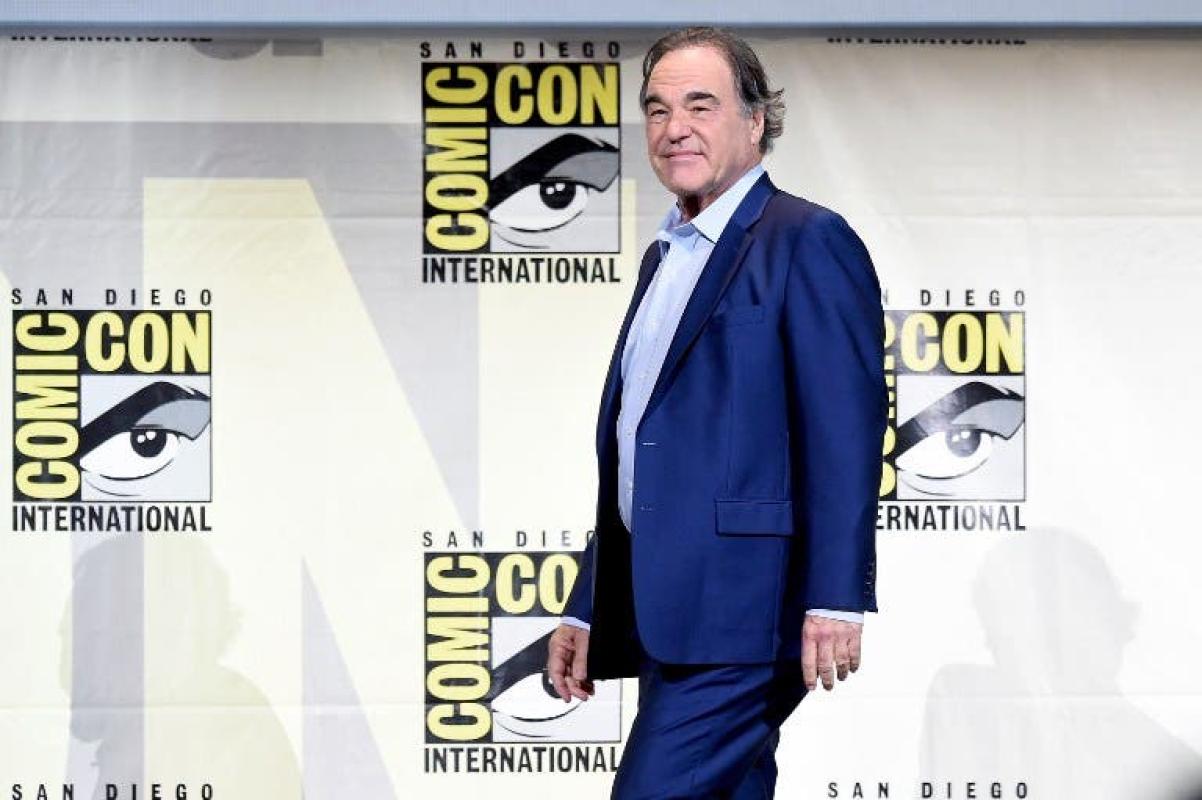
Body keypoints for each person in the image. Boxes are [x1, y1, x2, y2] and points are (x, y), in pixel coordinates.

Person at [546, 26, 886, 798]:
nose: (675, 128)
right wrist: (590, 604)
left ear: (755, 121)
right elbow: (646, 451)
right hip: (667, 608)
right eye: (657, 109)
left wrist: (837, 594)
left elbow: (845, 431)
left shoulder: (807, 240)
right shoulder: (666, 255)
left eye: (701, 106)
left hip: (745, 613)